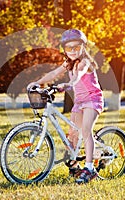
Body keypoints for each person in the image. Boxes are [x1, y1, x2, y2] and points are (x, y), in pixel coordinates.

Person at [27, 29, 104, 184]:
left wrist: (69, 84)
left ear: (83, 46)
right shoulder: (68, 63)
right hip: (80, 102)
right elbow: (54, 73)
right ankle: (75, 165)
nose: (73, 50)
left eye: (76, 46)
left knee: (86, 130)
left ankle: (89, 169)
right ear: (64, 50)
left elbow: (78, 76)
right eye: (69, 48)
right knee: (73, 136)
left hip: (92, 100)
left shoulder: (84, 62)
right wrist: (38, 82)